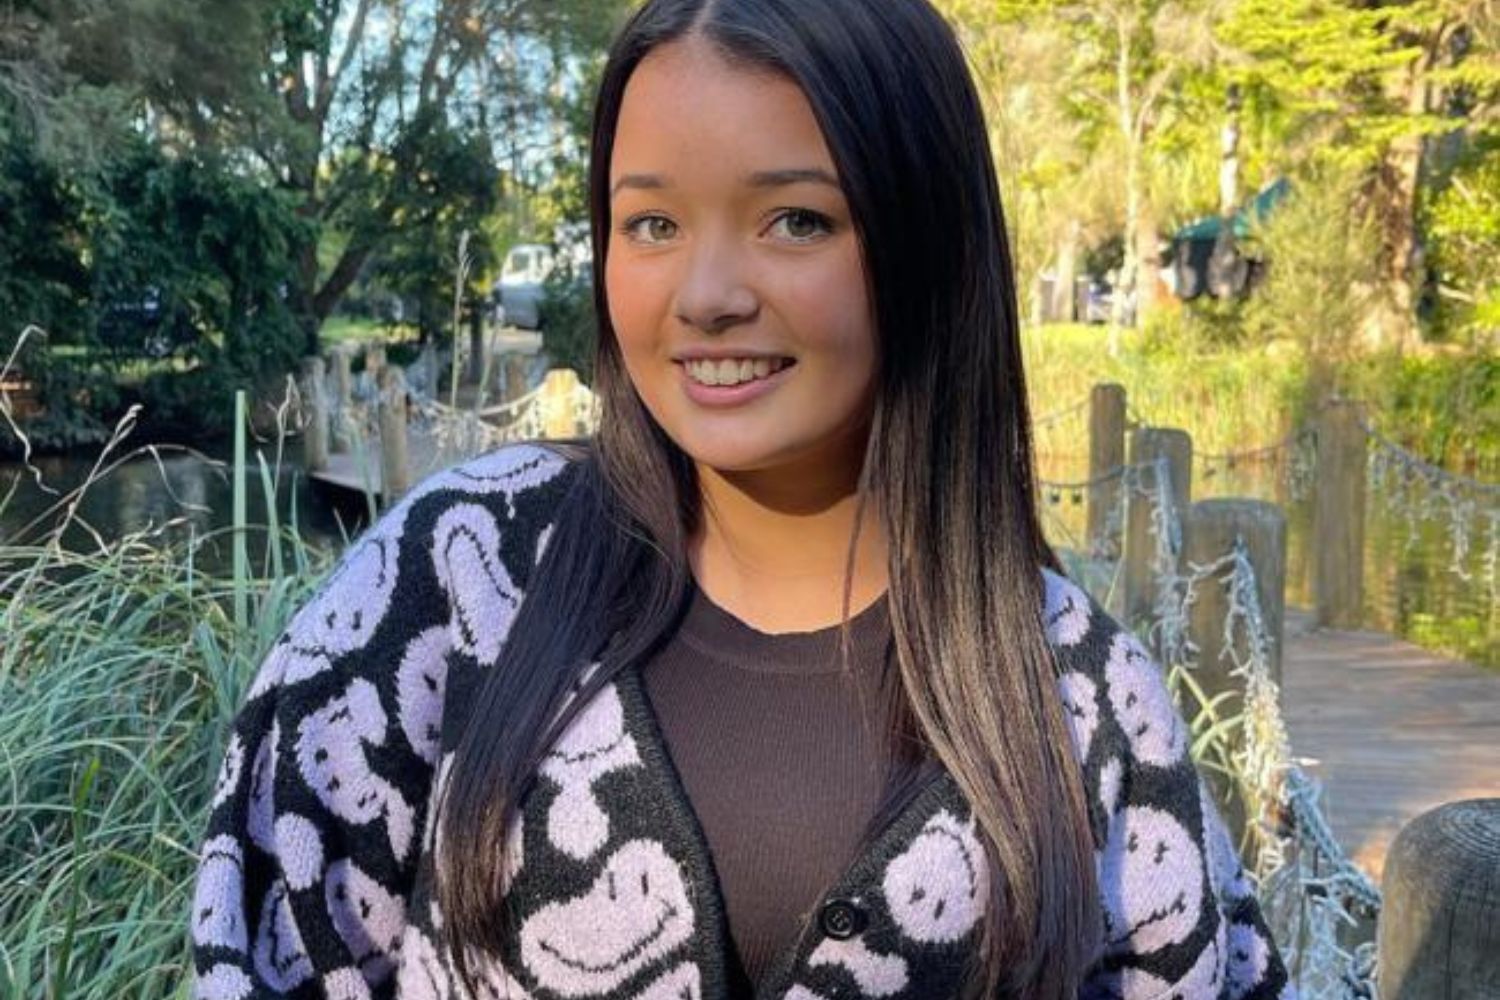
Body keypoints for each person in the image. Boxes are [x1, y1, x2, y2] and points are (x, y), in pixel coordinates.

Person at [189, 1, 1294, 997]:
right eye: (652, 225)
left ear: (929, 244)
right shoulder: (450, 575)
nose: (707, 296)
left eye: (796, 221)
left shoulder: (1080, 697)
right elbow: (262, 940)